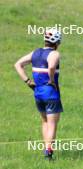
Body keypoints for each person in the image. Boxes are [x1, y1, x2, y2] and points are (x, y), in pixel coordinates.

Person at [14, 28, 63, 160]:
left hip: (38, 93)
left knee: (44, 122)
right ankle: (48, 152)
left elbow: (18, 64)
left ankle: (46, 149)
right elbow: (52, 67)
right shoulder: (54, 54)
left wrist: (28, 81)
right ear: (57, 42)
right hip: (51, 93)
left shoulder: (35, 52)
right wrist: (52, 80)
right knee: (52, 123)